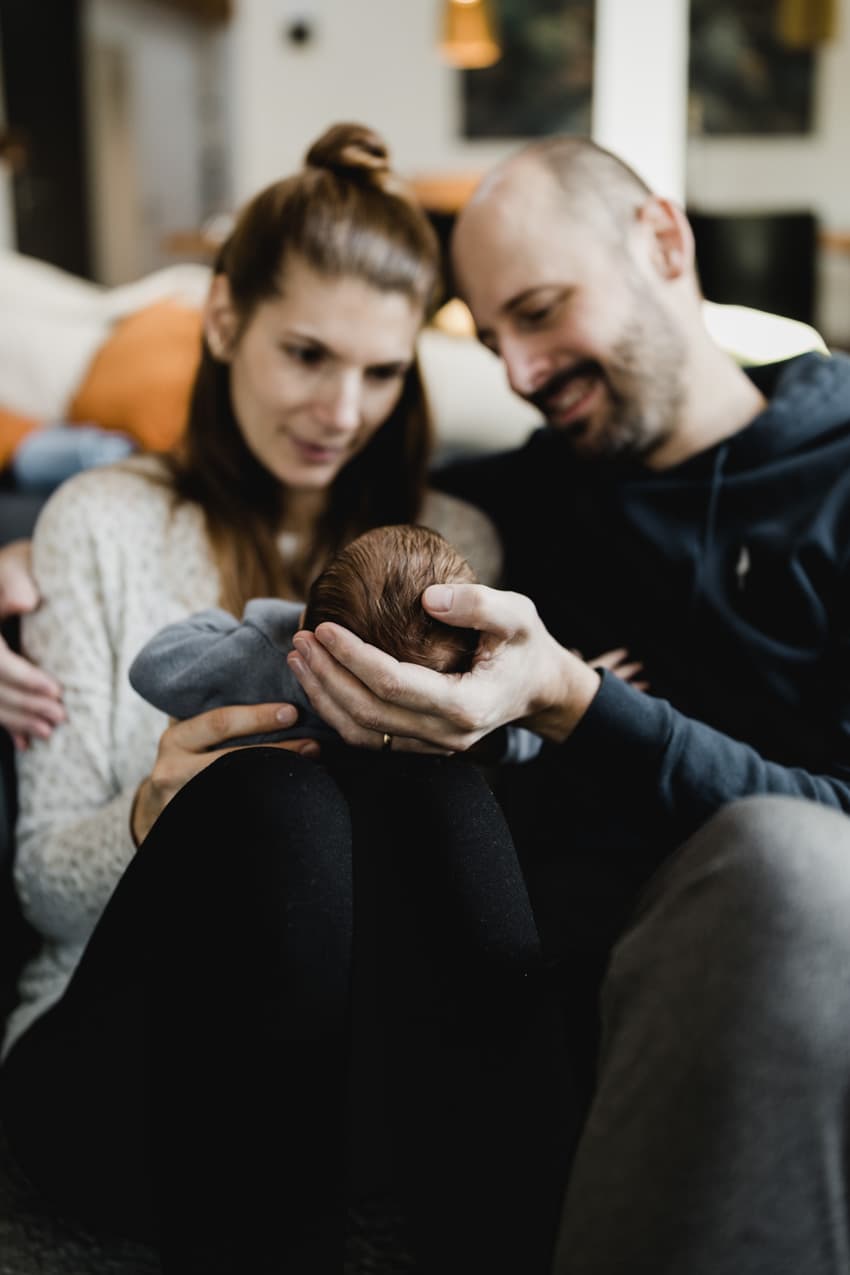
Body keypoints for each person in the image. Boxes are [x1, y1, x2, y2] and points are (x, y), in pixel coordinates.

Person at [0, 122, 582, 1275]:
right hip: (117, 1063)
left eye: (381, 372)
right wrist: (151, 812)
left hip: (364, 1070)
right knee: (272, 796)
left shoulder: (456, 542)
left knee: (441, 793)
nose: (342, 409)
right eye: (306, 354)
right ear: (224, 321)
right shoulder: (98, 524)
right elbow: (43, 890)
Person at [278, 136, 850, 1275]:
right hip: (541, 1016)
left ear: (664, 241)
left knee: (785, 866)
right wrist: (39, 536)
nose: (522, 374)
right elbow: (285, 490)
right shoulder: (523, 503)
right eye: (492, 339)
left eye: (540, 312)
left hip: (798, 973)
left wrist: (576, 700)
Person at [128, 521, 545, 761]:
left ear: (305, 619)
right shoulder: (441, 722)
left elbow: (151, 668)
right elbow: (519, 739)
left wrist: (256, 627)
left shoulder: (253, 655)